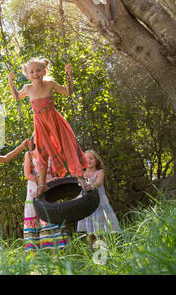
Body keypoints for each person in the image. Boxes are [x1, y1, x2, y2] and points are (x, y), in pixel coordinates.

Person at [8, 58, 87, 197]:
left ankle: (81, 180)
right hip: (41, 125)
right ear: (27, 75)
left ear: (44, 72)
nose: (35, 73)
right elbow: (17, 97)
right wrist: (10, 82)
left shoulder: (50, 84)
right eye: (31, 72)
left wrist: (69, 75)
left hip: (55, 121)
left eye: (38, 70)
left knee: (68, 146)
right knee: (42, 152)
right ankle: (42, 185)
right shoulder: (27, 88)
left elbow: (68, 92)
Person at [23, 133, 68, 253]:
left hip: (50, 188)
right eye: (38, 136)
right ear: (33, 140)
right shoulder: (29, 154)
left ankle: (56, 254)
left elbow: (57, 173)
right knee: (33, 216)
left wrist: (53, 180)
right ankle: (33, 256)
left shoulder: (51, 155)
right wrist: (43, 180)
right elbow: (27, 175)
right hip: (34, 188)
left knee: (51, 216)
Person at [77, 150, 120, 248]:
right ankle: (91, 252)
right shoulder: (82, 174)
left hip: (100, 204)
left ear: (96, 160)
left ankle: (104, 251)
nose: (88, 161)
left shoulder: (100, 172)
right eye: (85, 159)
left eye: (91, 159)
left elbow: (99, 182)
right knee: (90, 232)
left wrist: (92, 185)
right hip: (88, 205)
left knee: (101, 230)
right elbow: (79, 185)